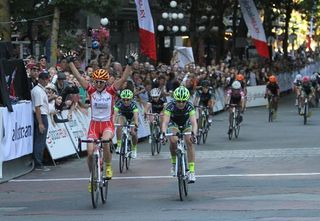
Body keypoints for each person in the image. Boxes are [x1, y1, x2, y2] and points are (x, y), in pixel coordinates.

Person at [64, 51, 136, 186]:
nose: (98, 84)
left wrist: (129, 65)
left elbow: (123, 78)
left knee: (105, 142)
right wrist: (70, 63)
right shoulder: (91, 90)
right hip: (94, 125)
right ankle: (92, 176)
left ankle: (108, 166)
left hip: (107, 125)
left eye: (100, 82)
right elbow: (79, 77)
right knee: (90, 153)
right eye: (96, 81)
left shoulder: (111, 91)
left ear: (105, 82)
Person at [160, 86, 198, 183]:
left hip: (186, 123)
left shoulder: (190, 106)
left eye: (183, 101)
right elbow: (165, 122)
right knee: (173, 141)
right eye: (178, 101)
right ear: (175, 100)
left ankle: (192, 171)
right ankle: (174, 163)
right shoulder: (170, 106)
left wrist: (194, 134)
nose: (181, 104)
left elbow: (194, 122)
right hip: (174, 124)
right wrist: (163, 134)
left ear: (187, 100)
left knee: (189, 141)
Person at [31, 71, 51, 171]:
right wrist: (40, 123)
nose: (48, 81)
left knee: (39, 140)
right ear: (42, 79)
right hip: (40, 116)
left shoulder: (39, 90)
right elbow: (37, 107)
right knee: (40, 141)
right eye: (47, 79)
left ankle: (38, 162)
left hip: (41, 115)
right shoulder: (38, 91)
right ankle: (38, 163)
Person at [113, 89, 139, 158]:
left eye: (128, 100)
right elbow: (114, 115)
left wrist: (136, 123)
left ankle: (134, 149)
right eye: (124, 99)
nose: (125, 101)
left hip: (132, 117)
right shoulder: (119, 103)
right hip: (123, 116)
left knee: (133, 133)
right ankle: (119, 145)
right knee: (119, 125)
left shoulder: (134, 105)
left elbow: (136, 115)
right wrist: (112, 122)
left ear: (131, 99)